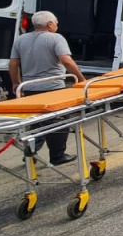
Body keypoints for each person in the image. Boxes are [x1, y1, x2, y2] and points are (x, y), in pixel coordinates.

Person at [8, 10, 86, 166]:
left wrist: (16, 83)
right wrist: (81, 79)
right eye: (56, 23)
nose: (57, 25)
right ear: (50, 24)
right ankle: (57, 156)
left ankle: (30, 153)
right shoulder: (55, 38)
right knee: (58, 122)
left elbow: (13, 63)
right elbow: (66, 61)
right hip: (53, 87)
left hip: (30, 87)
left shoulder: (21, 40)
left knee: (36, 123)